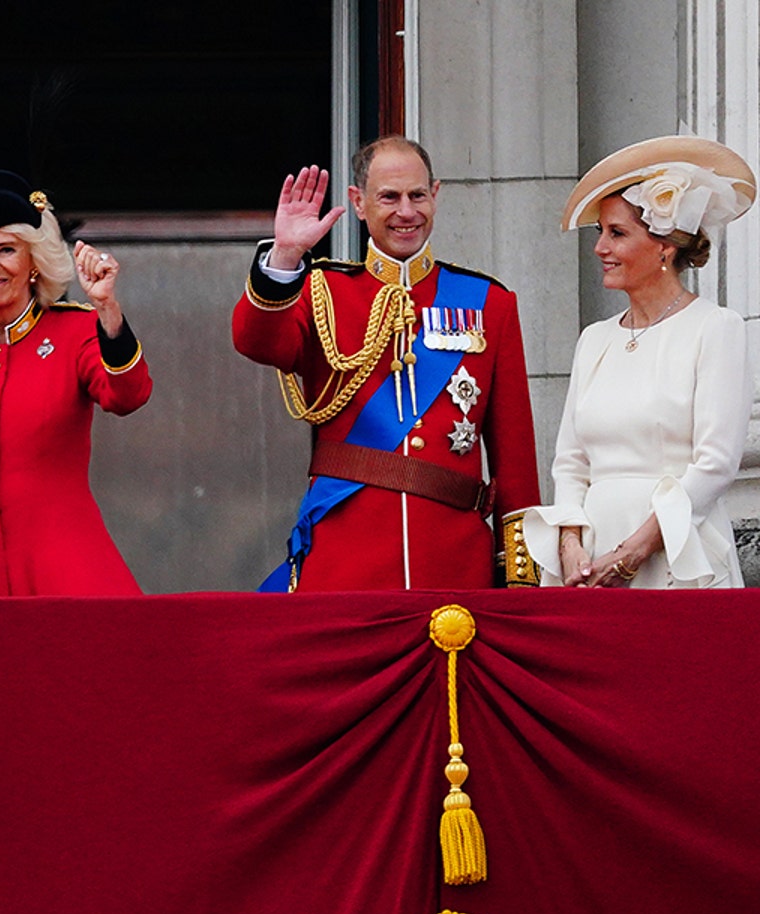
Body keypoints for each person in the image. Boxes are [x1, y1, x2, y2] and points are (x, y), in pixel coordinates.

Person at [232, 135, 540, 591]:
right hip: (345, 567)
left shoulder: (489, 303)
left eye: (417, 196)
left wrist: (518, 576)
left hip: (454, 567)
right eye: (389, 197)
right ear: (358, 203)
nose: (406, 212)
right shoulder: (323, 292)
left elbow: (515, 458)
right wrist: (286, 257)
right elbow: (256, 342)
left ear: (435, 195)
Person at [517, 136, 756, 588]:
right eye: (600, 232)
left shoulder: (715, 327)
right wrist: (571, 546)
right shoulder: (595, 339)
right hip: (591, 558)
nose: (599, 248)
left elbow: (715, 464)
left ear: (665, 246)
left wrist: (632, 553)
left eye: (617, 233)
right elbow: (570, 463)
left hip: (677, 552)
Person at [0, 171, 151, 595]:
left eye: (6, 249)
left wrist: (107, 309)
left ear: (34, 262)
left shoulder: (76, 330)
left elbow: (127, 396)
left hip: (60, 565)